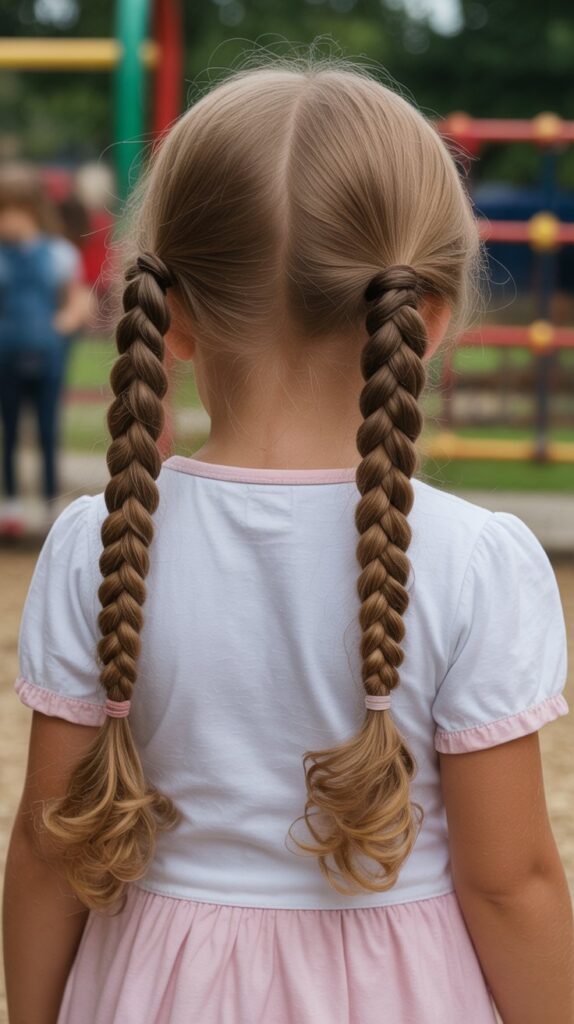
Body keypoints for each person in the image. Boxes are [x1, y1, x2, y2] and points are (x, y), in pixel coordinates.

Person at [3, 55, 573, 1024]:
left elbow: (51, 847)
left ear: (168, 317)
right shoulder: (476, 560)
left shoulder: (94, 542)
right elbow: (508, 881)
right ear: (427, 320)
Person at [0, 166, 91, 535]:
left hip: (47, 357)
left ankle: (53, 500)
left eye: (12, 211)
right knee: (9, 429)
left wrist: (64, 322)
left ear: (32, 210)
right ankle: (11, 503)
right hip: (6, 357)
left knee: (48, 428)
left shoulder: (58, 254)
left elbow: (78, 298)